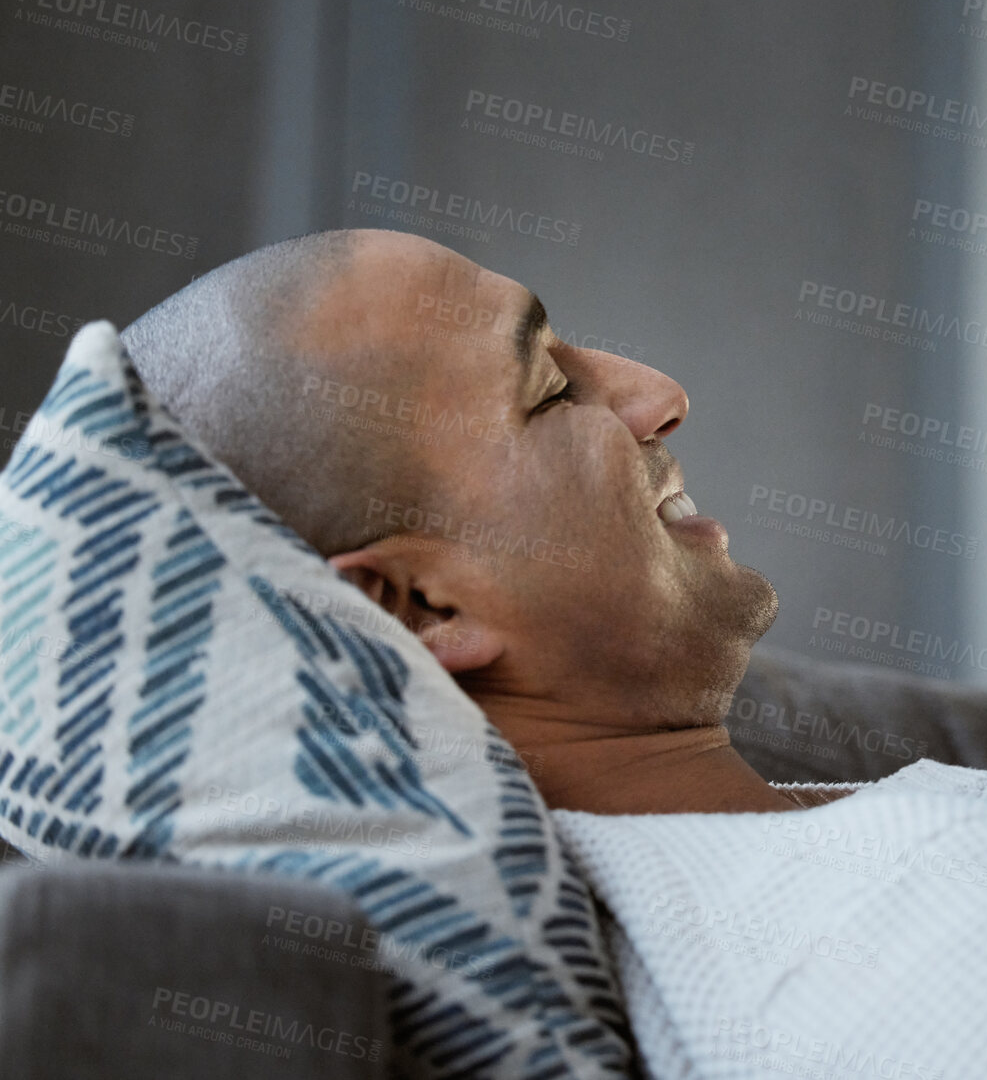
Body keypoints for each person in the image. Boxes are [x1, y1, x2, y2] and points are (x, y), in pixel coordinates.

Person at [123, 227, 808, 816]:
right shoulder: (818, 949)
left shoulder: (865, 857)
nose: (663, 395)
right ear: (419, 611)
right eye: (552, 392)